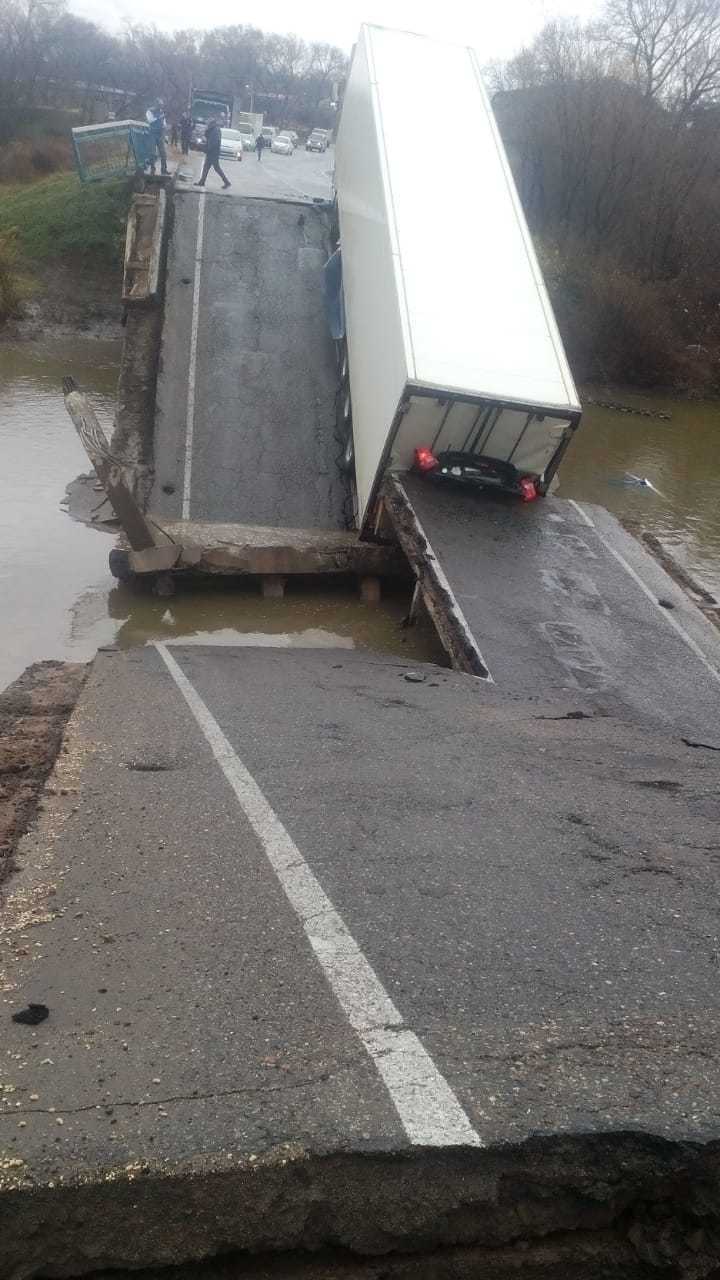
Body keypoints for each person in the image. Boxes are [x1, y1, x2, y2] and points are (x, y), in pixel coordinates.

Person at [195, 116, 231, 189]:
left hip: (213, 152)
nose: (207, 124)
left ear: (212, 123)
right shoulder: (213, 129)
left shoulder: (216, 130)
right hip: (211, 152)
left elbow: (213, 143)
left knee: (216, 168)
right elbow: (208, 138)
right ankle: (202, 181)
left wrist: (205, 148)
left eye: (208, 123)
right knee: (207, 167)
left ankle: (227, 182)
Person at [145, 98, 168, 175]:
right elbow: (150, 120)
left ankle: (164, 169)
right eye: (159, 105)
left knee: (163, 153)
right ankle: (152, 169)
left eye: (161, 105)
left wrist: (165, 132)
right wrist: (159, 118)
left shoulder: (161, 112)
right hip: (152, 133)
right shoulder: (149, 111)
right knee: (152, 152)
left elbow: (164, 123)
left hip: (160, 133)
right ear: (156, 104)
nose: (160, 107)